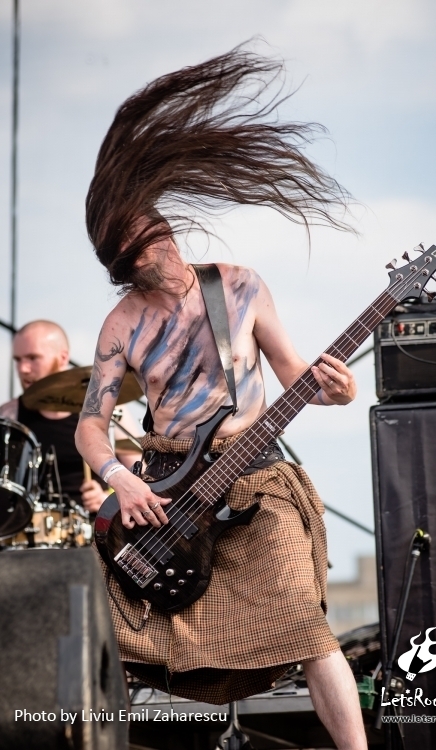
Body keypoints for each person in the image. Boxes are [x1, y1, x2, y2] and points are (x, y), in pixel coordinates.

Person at [75, 46, 368, 749]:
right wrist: (118, 475)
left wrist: (343, 388)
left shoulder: (239, 285)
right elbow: (91, 427)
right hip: (168, 494)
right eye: (148, 255)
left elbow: (300, 371)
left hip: (253, 480)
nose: (168, 257)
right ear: (125, 266)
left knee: (306, 623)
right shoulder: (122, 324)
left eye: (165, 238)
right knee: (104, 629)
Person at [0, 320, 142, 513]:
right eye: (18, 360)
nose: (23, 369)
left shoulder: (109, 408)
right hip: (29, 535)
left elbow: (142, 477)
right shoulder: (10, 414)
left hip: (96, 531)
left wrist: (109, 499)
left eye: (33, 358)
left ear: (63, 358)